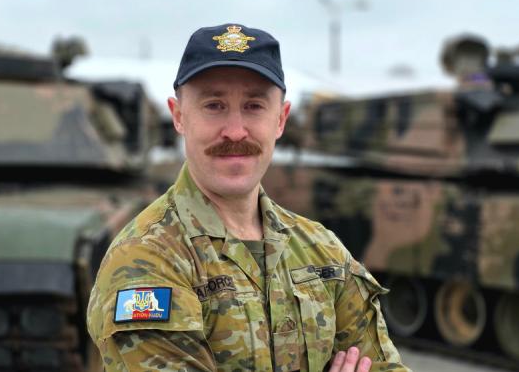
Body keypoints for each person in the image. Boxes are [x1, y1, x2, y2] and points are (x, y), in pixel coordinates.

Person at [87, 23, 410, 372]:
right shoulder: (146, 260)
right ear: (179, 116)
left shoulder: (322, 250)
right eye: (214, 105)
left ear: (281, 120)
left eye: (254, 105)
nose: (235, 131)